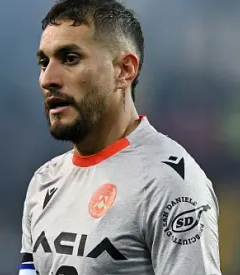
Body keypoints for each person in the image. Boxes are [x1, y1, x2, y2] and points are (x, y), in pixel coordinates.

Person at [19, 0, 221, 274]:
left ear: (124, 70)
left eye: (70, 59)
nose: (48, 78)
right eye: (44, 62)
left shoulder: (169, 184)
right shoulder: (44, 181)